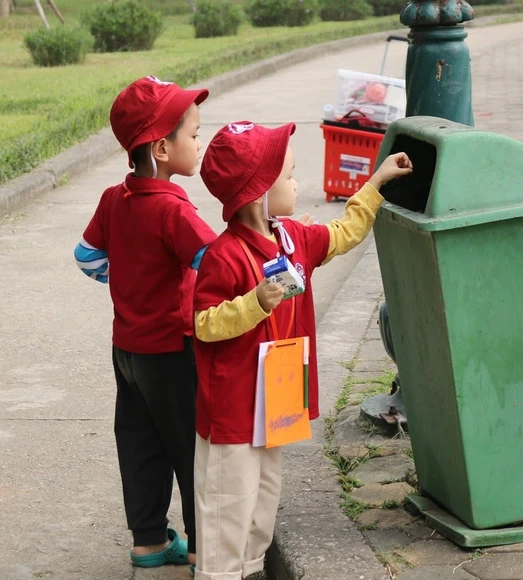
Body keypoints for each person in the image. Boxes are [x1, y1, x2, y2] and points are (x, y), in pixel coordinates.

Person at [191, 120, 413, 580]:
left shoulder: (292, 238)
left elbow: (343, 233)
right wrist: (255, 303)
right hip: (232, 414)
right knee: (227, 509)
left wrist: (375, 183)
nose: (298, 183)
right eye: (289, 175)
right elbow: (204, 325)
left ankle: (250, 570)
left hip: (275, 404)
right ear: (256, 193)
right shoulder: (224, 255)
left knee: (263, 503)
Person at [74, 76, 217, 569]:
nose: (199, 143)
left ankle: (149, 541)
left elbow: (86, 255)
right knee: (190, 450)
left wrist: (129, 277)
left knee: (139, 444)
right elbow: (215, 262)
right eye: (194, 134)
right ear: (161, 147)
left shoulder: (115, 198)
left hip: (128, 352)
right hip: (173, 352)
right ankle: (204, 550)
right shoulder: (174, 208)